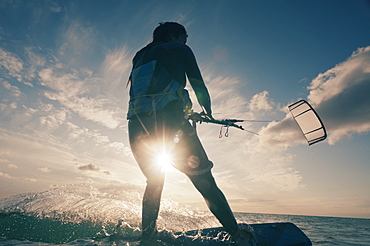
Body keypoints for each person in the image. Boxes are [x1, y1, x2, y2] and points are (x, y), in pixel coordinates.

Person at [127, 22, 255, 245]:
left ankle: (147, 238)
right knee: (205, 181)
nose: (186, 43)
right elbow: (198, 85)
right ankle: (238, 236)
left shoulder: (139, 56)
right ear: (172, 35)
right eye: (183, 38)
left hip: (136, 125)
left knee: (154, 180)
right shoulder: (180, 50)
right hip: (169, 121)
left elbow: (157, 90)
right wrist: (208, 111)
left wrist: (187, 111)